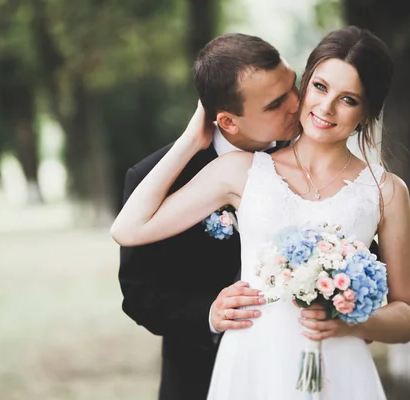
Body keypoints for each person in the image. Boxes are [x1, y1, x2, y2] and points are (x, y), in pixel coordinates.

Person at [112, 26, 410, 399]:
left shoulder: (386, 191)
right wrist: (193, 139)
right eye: (319, 87)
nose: (324, 107)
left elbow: (406, 317)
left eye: (348, 99)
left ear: (368, 111)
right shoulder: (243, 169)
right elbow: (128, 229)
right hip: (250, 365)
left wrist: (351, 322)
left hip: (341, 369)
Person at [117, 33, 300, 400]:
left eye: (293, 85)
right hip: (200, 375)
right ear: (228, 122)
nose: (296, 104)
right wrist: (209, 313)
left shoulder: (308, 157)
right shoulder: (156, 180)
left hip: (294, 368)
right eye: (276, 103)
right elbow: (140, 293)